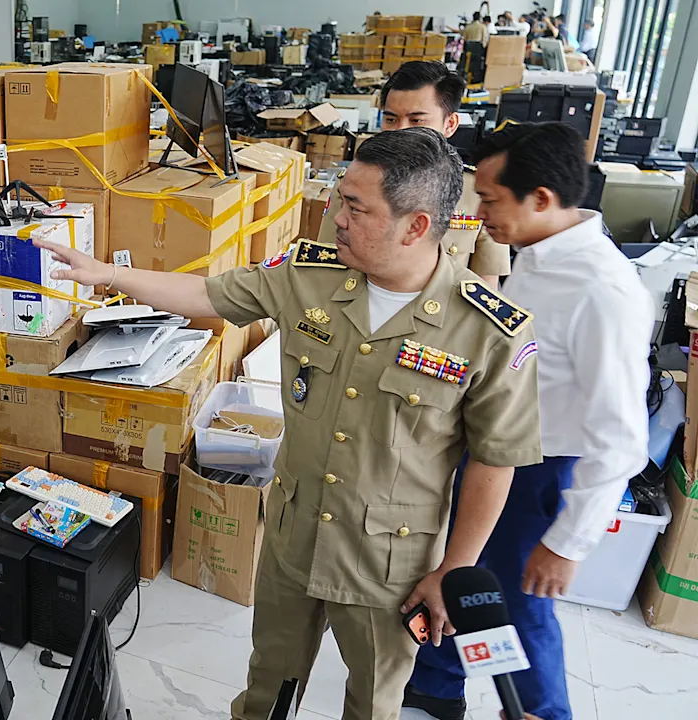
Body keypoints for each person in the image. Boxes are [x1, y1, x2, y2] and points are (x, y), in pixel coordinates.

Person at [34, 128, 544, 720]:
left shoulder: (488, 331)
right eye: (341, 200)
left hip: (389, 565)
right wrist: (107, 274)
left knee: (374, 699)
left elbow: (495, 460)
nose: (337, 218)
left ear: (416, 226)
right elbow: (208, 295)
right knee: (267, 685)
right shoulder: (311, 276)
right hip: (294, 537)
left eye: (356, 207)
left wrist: (454, 569)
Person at [404, 123, 652, 720]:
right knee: (458, 572)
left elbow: (621, 440)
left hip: (540, 471)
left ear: (540, 197)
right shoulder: (541, 253)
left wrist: (567, 544)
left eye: (491, 200)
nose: (480, 213)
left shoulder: (603, 291)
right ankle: (435, 688)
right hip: (496, 449)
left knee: (519, 605)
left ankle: (544, 712)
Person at [319, 61, 512, 288]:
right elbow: (325, 265)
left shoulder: (478, 193)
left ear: (450, 124)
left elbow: (486, 285)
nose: (401, 132)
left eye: (417, 121)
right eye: (391, 119)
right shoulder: (351, 185)